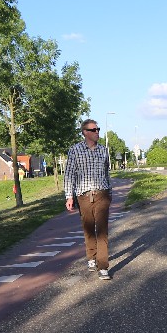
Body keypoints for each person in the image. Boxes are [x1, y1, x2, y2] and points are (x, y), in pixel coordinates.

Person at [63, 119, 113, 280]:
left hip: (102, 194)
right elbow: (69, 174)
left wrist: (109, 192)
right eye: (93, 130)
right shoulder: (75, 150)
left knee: (102, 230)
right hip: (83, 196)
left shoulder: (103, 150)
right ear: (85, 132)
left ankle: (103, 266)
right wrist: (69, 196)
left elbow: (106, 173)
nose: (97, 132)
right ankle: (91, 257)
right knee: (89, 228)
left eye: (98, 129)